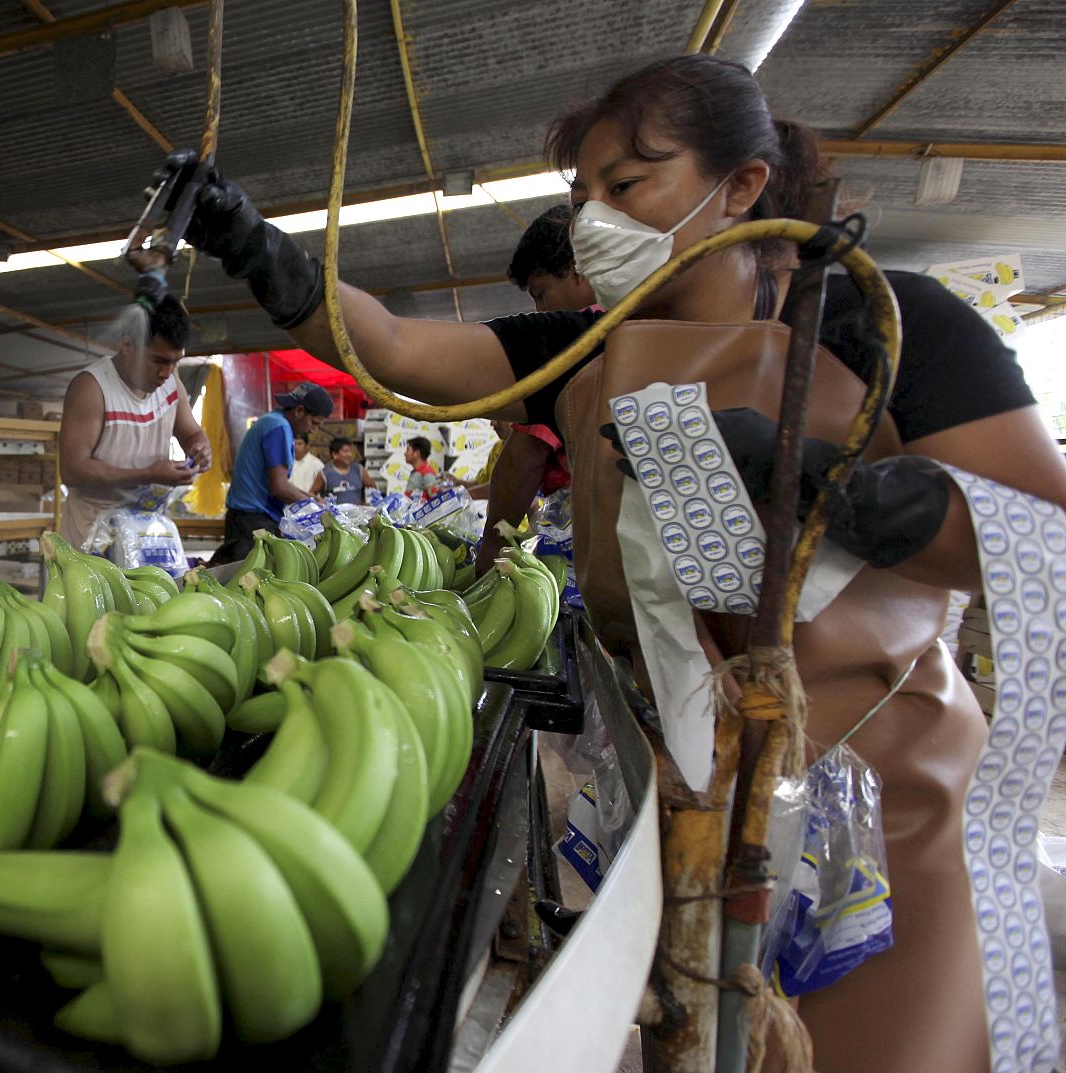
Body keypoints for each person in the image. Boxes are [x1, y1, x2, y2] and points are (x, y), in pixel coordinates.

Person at [149, 53, 1066, 1073]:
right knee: (711, 1037)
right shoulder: (587, 353)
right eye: (584, 197)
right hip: (691, 783)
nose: (596, 222)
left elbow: (1035, 528)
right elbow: (398, 349)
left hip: (876, 794)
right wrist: (246, 239)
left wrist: (828, 486)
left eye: (628, 187)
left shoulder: (879, 318)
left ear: (741, 186)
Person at [479, 204, 597, 570]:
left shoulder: (575, 344)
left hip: (591, 547)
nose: (538, 309)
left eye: (541, 292)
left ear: (577, 270)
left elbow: (523, 459)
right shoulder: (640, 323)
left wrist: (490, 549)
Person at [57, 295, 211, 547]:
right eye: (159, 360)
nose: (166, 372)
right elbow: (72, 470)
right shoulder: (92, 388)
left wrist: (200, 448)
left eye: (175, 362)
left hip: (146, 530)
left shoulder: (171, 385)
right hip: (93, 535)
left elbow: (191, 433)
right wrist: (148, 473)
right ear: (127, 345)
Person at [211, 382, 332, 564]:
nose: (313, 430)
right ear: (299, 411)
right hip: (252, 520)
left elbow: (280, 482)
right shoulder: (279, 427)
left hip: (244, 517)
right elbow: (279, 487)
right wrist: (315, 509)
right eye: (314, 423)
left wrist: (313, 500)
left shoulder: (272, 421)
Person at [311, 436, 376, 505]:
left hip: (357, 514)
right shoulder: (324, 474)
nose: (349, 454)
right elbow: (312, 493)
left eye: (350, 451)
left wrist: (367, 504)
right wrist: (320, 504)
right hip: (334, 514)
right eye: (345, 451)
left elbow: (373, 488)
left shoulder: (359, 469)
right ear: (335, 454)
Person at [402, 436, 442, 501]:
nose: (405, 454)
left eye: (408, 449)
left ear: (417, 453)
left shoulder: (428, 474)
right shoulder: (416, 472)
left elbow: (434, 501)